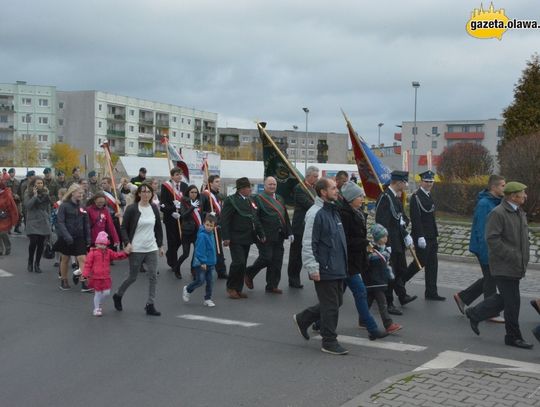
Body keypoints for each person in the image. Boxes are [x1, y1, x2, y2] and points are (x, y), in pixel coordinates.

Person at [465, 182, 533, 349]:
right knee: (513, 302)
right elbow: (492, 239)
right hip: (504, 265)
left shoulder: (518, 212)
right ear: (512, 196)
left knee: (505, 298)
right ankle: (512, 336)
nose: (525, 196)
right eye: (522, 193)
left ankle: (475, 313)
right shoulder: (498, 213)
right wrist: (513, 255)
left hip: (516, 265)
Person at [292, 178, 348, 355]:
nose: (337, 191)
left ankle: (303, 318)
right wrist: (312, 267)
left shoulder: (333, 210)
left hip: (337, 266)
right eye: (333, 188)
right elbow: (308, 243)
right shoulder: (315, 213)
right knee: (331, 306)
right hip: (324, 267)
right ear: (323, 192)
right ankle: (329, 341)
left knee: (336, 302)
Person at [339, 182, 389, 340]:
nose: (362, 198)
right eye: (359, 196)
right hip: (348, 261)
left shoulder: (356, 212)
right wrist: (364, 243)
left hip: (353, 261)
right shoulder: (345, 214)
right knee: (360, 292)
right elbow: (346, 240)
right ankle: (372, 329)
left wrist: (365, 243)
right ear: (351, 198)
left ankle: (312, 320)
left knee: (337, 298)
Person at [454, 175, 506, 323]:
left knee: (491, 277)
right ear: (494, 187)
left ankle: (463, 297)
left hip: (492, 247)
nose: (505, 188)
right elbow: (482, 230)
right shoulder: (484, 204)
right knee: (491, 278)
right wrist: (487, 252)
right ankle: (489, 312)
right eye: (502, 185)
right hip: (485, 248)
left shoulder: (496, 201)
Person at [113, 183, 164, 316]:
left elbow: (158, 228)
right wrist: (127, 243)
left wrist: (160, 245)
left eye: (148, 192)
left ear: (151, 194)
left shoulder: (153, 208)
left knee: (153, 276)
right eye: (143, 191)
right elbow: (123, 228)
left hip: (151, 247)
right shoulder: (132, 209)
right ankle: (118, 295)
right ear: (139, 194)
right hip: (136, 248)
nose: (146, 194)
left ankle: (150, 304)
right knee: (133, 277)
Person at [375, 170, 418, 315]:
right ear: (398, 182)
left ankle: (402, 295)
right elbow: (381, 222)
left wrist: (405, 233)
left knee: (400, 270)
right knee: (390, 273)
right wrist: (384, 245)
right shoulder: (385, 197)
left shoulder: (395, 198)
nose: (406, 185)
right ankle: (388, 303)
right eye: (405, 182)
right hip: (389, 242)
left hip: (398, 240)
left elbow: (402, 219)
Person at [245, 176, 292, 294]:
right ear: (264, 185)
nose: (272, 186)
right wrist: (260, 233)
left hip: (279, 234)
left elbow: (285, 216)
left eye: (274, 184)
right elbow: (255, 218)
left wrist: (290, 232)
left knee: (277, 261)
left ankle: (272, 285)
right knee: (266, 258)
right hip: (265, 235)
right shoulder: (258, 198)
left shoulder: (280, 198)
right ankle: (249, 273)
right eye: (270, 184)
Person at [221, 177, 265, 299]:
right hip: (235, 237)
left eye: (249, 187)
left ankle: (238, 289)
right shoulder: (231, 200)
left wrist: (261, 234)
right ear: (241, 189)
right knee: (238, 262)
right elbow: (224, 219)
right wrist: (225, 237)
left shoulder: (250, 200)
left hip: (247, 237)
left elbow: (255, 218)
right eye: (247, 188)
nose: (250, 189)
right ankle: (231, 287)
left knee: (243, 263)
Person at [409, 170, 445, 301]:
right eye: (427, 181)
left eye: (431, 181)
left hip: (431, 235)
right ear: (421, 181)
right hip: (422, 236)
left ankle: (431, 292)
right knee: (419, 264)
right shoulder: (416, 197)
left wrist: (434, 233)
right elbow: (416, 218)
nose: (429, 184)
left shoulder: (428, 195)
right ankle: (399, 283)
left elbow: (431, 217)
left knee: (432, 264)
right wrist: (419, 236)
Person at [81, 231, 129, 316]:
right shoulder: (92, 253)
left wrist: (126, 254)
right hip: (96, 277)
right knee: (98, 293)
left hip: (106, 277)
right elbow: (88, 265)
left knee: (107, 293)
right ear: (96, 244)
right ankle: (96, 308)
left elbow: (116, 255)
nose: (102, 246)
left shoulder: (109, 252)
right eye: (100, 244)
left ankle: (99, 303)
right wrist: (85, 275)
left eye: (104, 244)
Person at [367, 224, 403, 334]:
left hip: (379, 281)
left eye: (386, 236)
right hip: (375, 281)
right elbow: (372, 260)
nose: (386, 239)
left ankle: (362, 320)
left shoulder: (384, 250)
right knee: (383, 304)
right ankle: (388, 324)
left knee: (367, 302)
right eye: (383, 237)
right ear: (377, 238)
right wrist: (383, 255)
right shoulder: (373, 250)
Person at [54, 184, 90, 291]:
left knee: (82, 258)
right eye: (79, 192)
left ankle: (84, 282)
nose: (81, 194)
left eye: (82, 193)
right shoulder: (64, 206)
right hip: (66, 237)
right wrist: (66, 236)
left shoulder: (82, 207)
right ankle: (64, 280)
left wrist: (88, 237)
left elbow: (86, 223)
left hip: (79, 236)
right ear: (72, 193)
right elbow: (60, 222)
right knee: (65, 258)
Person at [288, 166, 318, 288]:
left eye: (317, 176)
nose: (317, 178)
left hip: (311, 226)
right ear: (308, 176)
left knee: (309, 252)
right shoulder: (300, 188)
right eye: (315, 176)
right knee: (296, 254)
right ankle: (293, 278)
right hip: (300, 226)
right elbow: (309, 204)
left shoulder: (314, 188)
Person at [182, 214, 218, 307]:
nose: (209, 227)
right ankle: (188, 289)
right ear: (203, 224)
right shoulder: (202, 235)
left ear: (214, 226)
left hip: (211, 263)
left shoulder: (211, 234)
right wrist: (203, 262)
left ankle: (208, 298)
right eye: (207, 225)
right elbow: (200, 250)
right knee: (200, 280)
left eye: (211, 226)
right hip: (201, 263)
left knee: (210, 281)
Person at [200, 175, 228, 279]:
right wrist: (209, 214)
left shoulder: (219, 195)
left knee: (218, 249)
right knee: (206, 249)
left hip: (218, 226)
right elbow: (200, 211)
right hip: (208, 227)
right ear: (210, 183)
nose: (219, 183)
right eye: (216, 181)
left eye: (219, 181)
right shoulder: (205, 195)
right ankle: (197, 270)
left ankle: (221, 271)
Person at [160, 167, 188, 270]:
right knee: (172, 240)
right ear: (172, 176)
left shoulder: (185, 186)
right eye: (177, 174)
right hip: (171, 217)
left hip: (181, 217)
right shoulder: (166, 186)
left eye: (180, 174)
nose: (179, 176)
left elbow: (187, 201)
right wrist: (172, 209)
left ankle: (170, 254)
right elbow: (163, 203)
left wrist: (182, 208)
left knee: (180, 239)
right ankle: (174, 263)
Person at [173, 185, 202, 280]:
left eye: (195, 192)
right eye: (192, 192)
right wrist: (192, 207)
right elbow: (183, 215)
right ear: (188, 193)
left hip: (197, 231)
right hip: (187, 231)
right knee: (186, 254)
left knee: (197, 252)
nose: (194, 194)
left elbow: (201, 214)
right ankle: (177, 268)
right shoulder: (184, 202)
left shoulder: (199, 202)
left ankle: (193, 269)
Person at [24, 177, 52, 273]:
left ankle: (37, 264)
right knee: (33, 242)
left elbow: (48, 207)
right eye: (38, 183)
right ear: (34, 184)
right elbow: (28, 205)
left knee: (41, 244)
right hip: (32, 220)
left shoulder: (45, 193)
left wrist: (49, 219)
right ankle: (30, 262)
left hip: (43, 220)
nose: (40, 185)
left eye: (41, 183)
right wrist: (35, 196)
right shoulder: (28, 192)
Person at [0, 180, 18, 256]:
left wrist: (14, 221)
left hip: (5, 217)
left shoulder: (7, 194)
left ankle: (8, 247)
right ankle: (1, 249)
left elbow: (13, 208)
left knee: (3, 233)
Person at [5, 168, 21, 234]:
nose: (13, 173)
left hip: (17, 201)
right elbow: (5, 191)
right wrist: (14, 195)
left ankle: (17, 228)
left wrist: (19, 196)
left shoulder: (17, 181)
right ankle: (8, 228)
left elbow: (20, 191)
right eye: (12, 172)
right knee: (9, 215)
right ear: (9, 173)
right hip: (9, 201)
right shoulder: (6, 182)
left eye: (14, 172)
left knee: (19, 214)